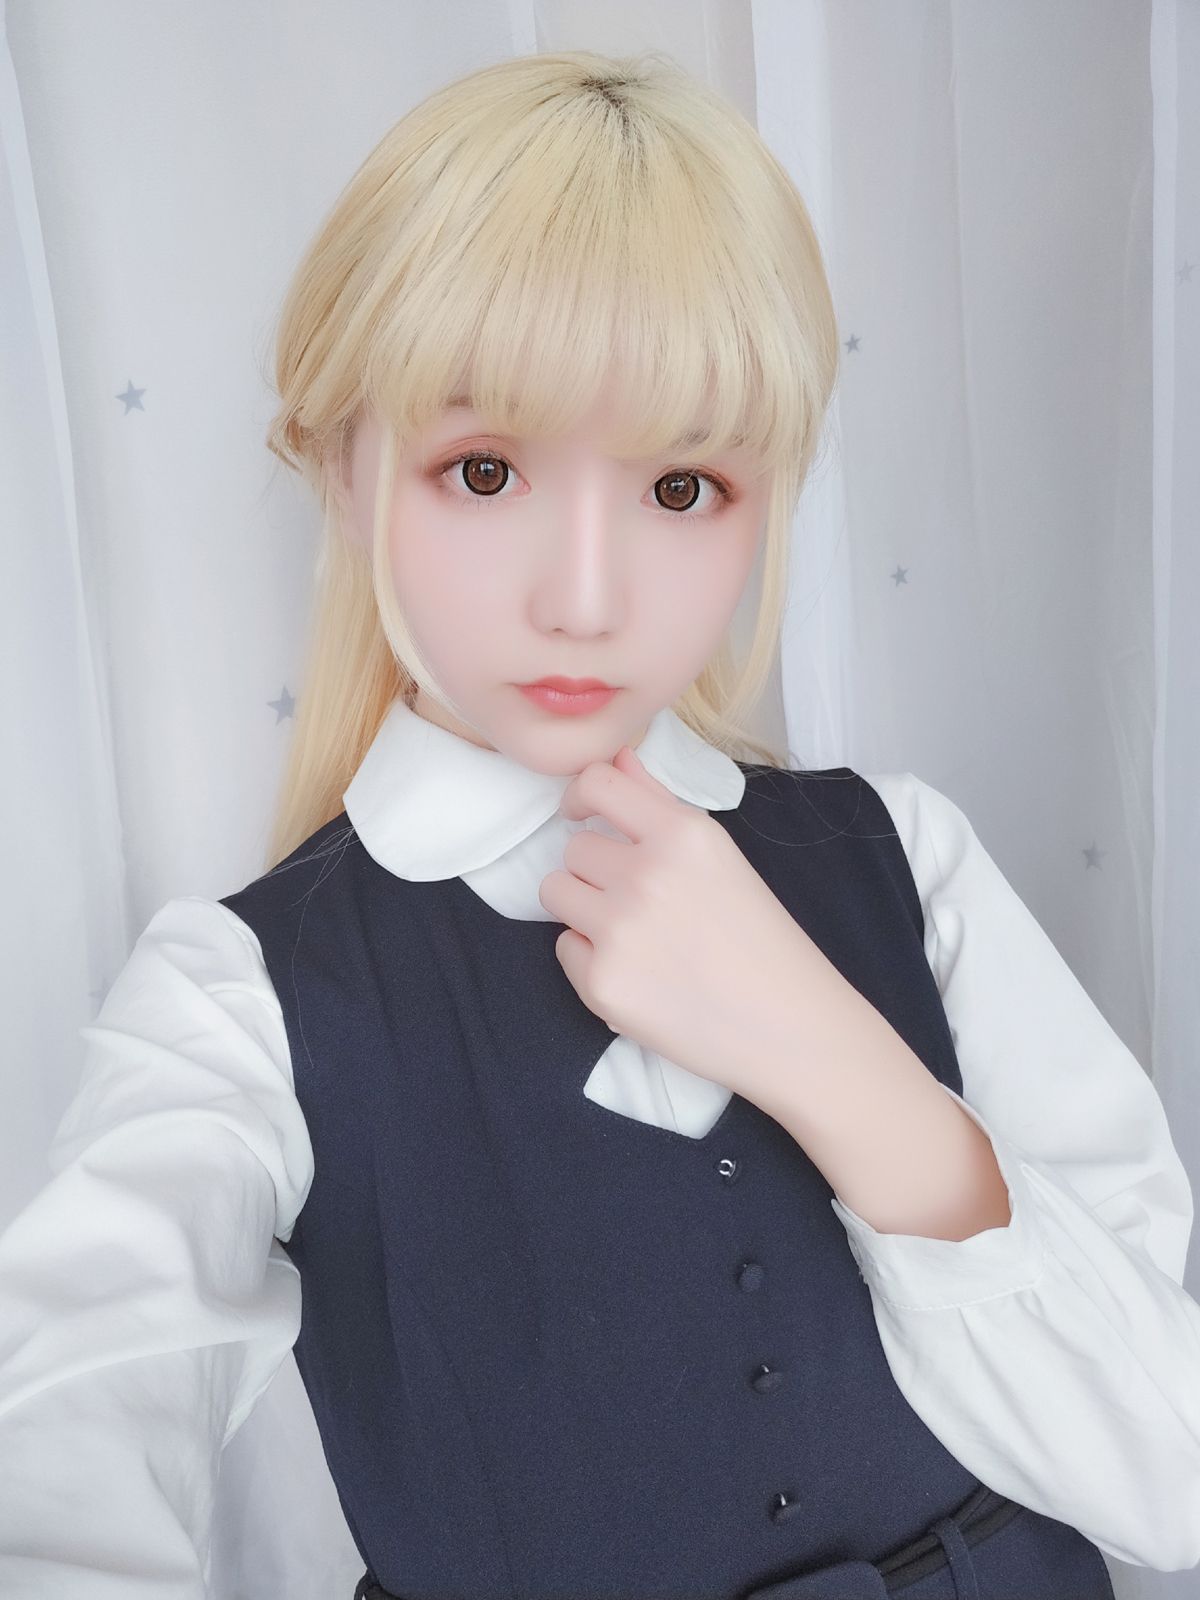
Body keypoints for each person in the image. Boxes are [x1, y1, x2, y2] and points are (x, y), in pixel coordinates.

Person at [1, 46, 1198, 1600]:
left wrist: (827, 1052)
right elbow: (63, 1448)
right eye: (485, 469)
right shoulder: (244, 997)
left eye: (683, 488)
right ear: (337, 462)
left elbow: (1175, 1474)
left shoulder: (905, 858)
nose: (585, 596)